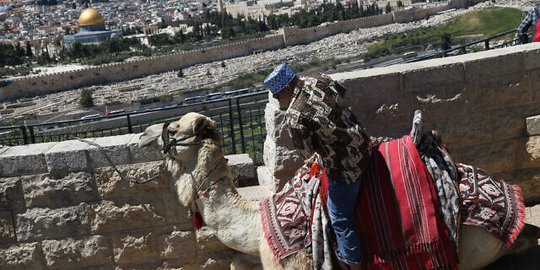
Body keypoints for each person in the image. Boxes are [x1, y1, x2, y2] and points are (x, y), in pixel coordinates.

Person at [263, 63, 372, 268]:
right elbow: (341, 96)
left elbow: (308, 154)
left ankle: (353, 262)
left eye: (278, 96)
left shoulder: (294, 117)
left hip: (347, 166)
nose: (278, 103)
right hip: (363, 143)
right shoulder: (321, 79)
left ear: (286, 89)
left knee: (338, 216)